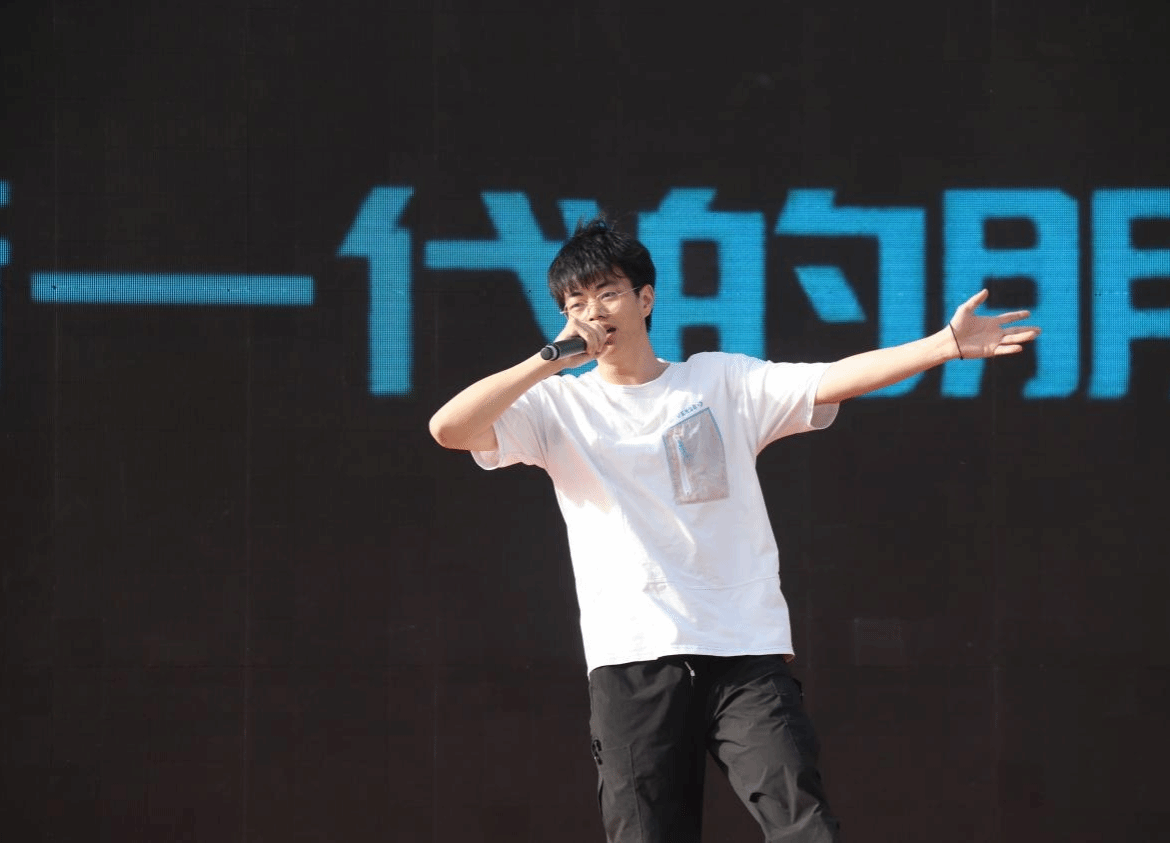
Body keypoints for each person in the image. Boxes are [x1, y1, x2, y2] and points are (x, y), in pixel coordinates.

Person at [428, 217, 1039, 843]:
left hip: (744, 654)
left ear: (645, 298)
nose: (593, 313)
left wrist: (945, 345)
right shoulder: (557, 407)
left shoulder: (718, 381)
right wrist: (549, 359)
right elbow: (448, 429)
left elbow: (831, 377)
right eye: (575, 303)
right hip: (631, 659)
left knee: (806, 828)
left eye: (608, 293)